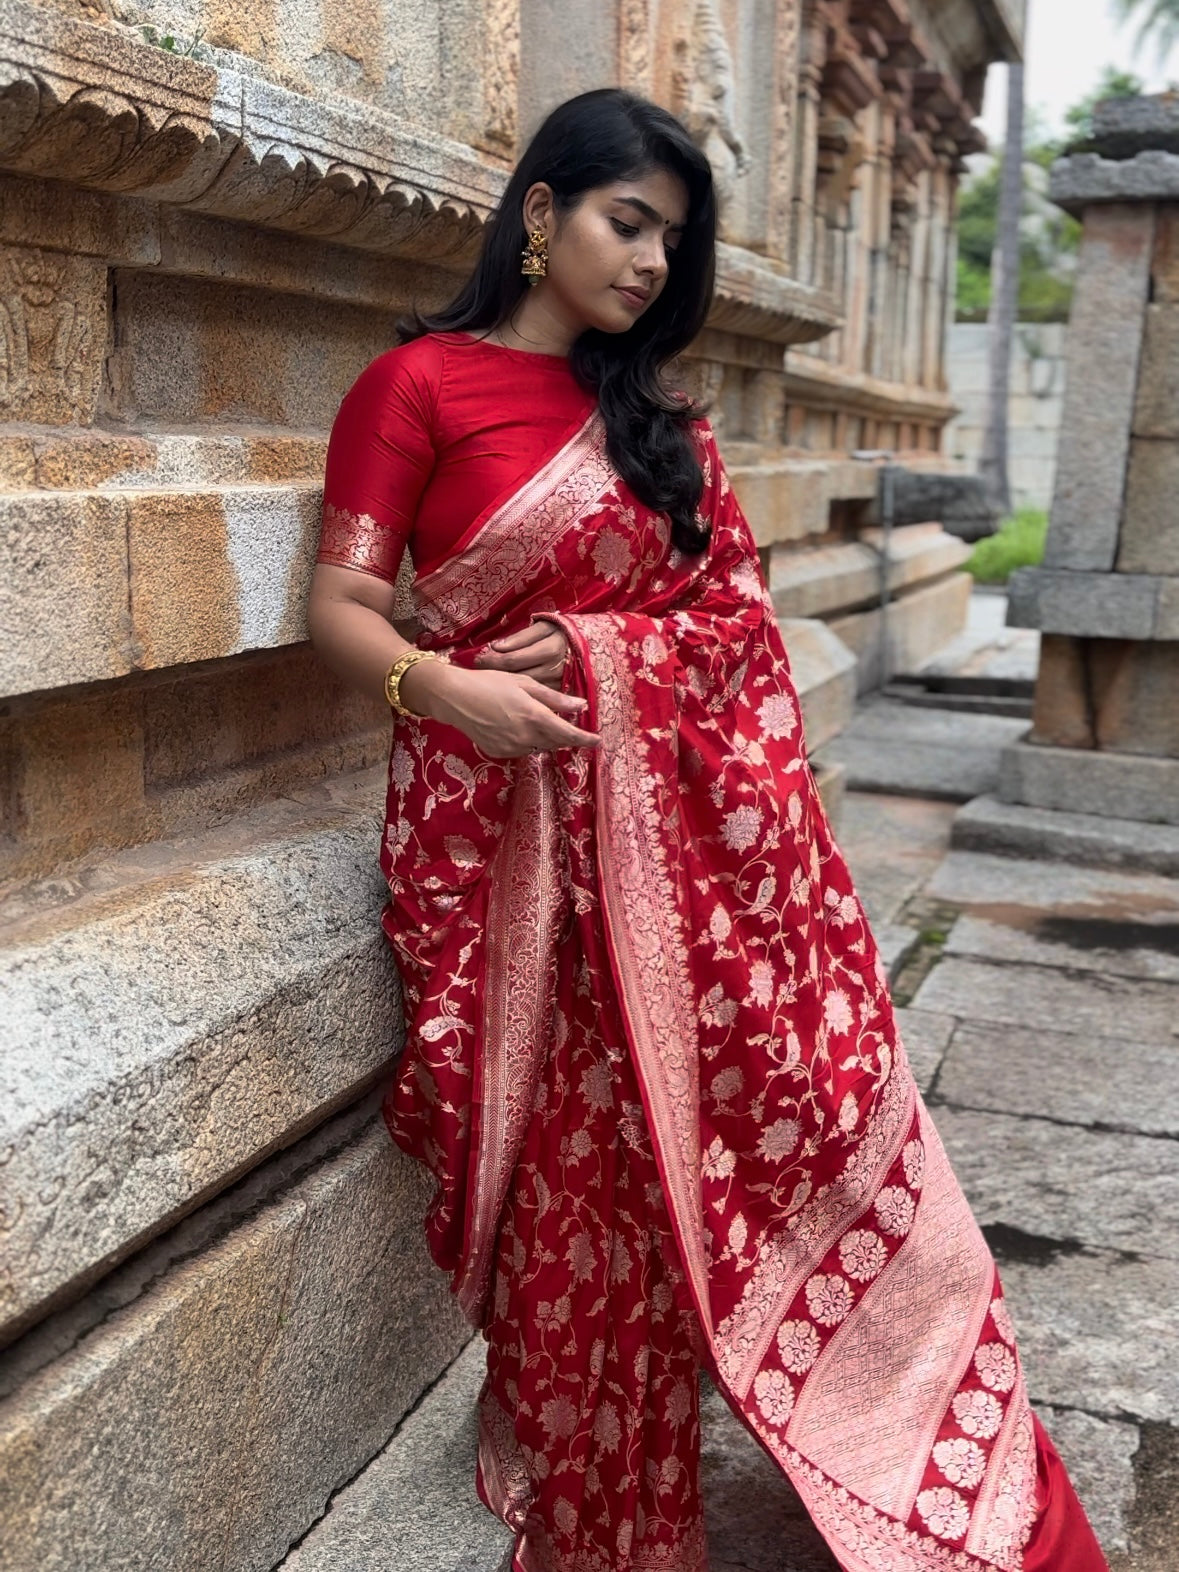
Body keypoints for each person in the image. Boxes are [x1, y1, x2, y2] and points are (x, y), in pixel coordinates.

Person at [307, 86, 1109, 1572]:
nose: (654, 264)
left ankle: (875, 1448)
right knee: (568, 1196)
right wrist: (452, 691)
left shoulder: (660, 425)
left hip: (678, 869)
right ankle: (602, 1511)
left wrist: (618, 660)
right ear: (540, 214)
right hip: (493, 851)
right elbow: (342, 610)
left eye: (675, 240)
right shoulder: (415, 387)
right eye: (628, 223)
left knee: (760, 1126)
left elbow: (733, 629)